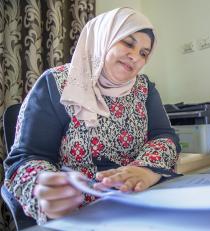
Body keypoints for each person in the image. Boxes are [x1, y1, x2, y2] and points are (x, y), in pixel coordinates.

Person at [4, 7, 180, 225]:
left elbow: (164, 137)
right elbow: (26, 157)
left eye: (144, 53)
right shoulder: (56, 84)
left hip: (138, 203)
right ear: (104, 37)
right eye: (128, 43)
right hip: (78, 213)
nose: (135, 56)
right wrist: (44, 186)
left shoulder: (144, 88)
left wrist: (145, 170)